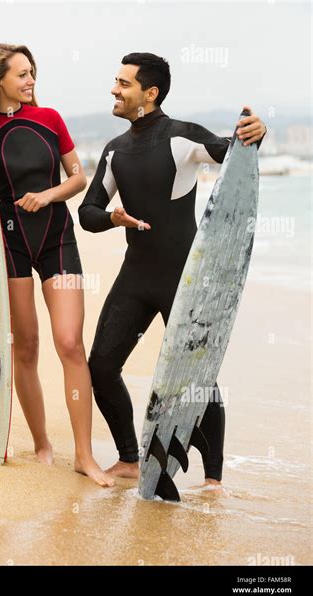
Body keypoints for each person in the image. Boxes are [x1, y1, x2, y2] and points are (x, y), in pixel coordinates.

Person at [78, 52, 267, 486]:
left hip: (185, 279)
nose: (114, 89)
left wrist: (256, 134)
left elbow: (235, 155)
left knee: (199, 377)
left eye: (123, 83)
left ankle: (213, 480)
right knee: (102, 367)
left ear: (151, 93)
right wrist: (113, 218)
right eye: (115, 80)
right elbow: (87, 212)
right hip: (137, 276)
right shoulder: (115, 150)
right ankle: (130, 458)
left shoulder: (182, 137)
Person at [0, 43, 114, 487]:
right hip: (10, 245)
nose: (31, 80)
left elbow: (78, 177)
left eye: (32, 71)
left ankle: (84, 455)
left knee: (71, 343)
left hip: (58, 239)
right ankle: (41, 443)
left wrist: (48, 195)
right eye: (21, 74)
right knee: (27, 348)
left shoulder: (50, 119)